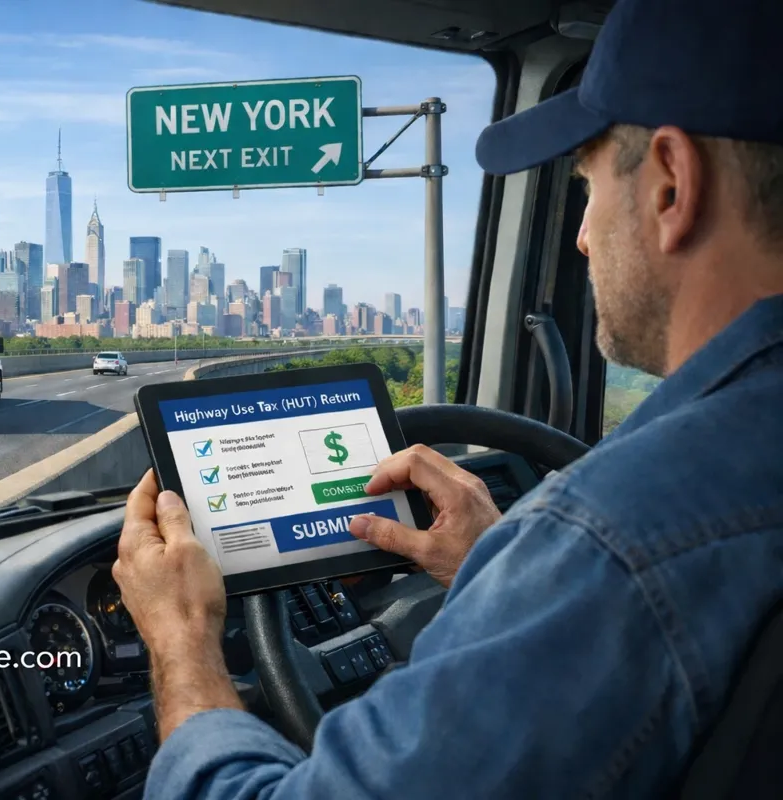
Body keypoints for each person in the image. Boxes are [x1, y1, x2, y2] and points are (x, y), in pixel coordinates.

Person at [110, 0, 783, 795]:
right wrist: (499, 571)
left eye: (589, 188)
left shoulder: (617, 539)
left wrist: (182, 639)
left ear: (671, 184)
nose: (581, 236)